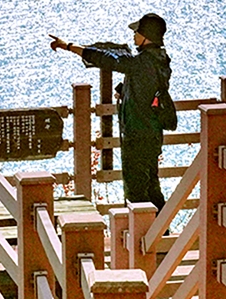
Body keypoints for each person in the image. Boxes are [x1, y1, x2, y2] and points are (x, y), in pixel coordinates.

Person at [51, 13, 172, 211]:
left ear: (146, 35)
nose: (134, 35)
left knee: (136, 192)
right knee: (151, 187)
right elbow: (148, 89)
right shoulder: (161, 60)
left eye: (137, 32)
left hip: (137, 134)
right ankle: (162, 234)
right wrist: (124, 90)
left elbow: (107, 59)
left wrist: (69, 46)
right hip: (152, 133)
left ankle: (144, 237)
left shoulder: (141, 63)